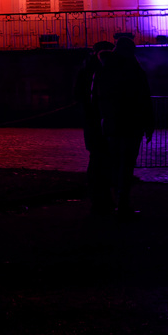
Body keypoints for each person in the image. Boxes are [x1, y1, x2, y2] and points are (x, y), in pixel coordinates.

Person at [93, 35, 155, 217]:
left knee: (114, 162)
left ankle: (111, 200)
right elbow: (144, 98)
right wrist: (148, 123)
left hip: (111, 123)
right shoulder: (134, 70)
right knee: (126, 164)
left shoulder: (104, 69)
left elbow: (95, 97)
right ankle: (122, 202)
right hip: (131, 123)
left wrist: (103, 118)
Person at [76, 40, 115, 214]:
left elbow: (78, 93)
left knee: (97, 160)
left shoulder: (87, 68)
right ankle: (101, 199)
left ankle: (99, 198)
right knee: (101, 160)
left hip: (92, 120)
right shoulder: (100, 70)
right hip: (99, 121)